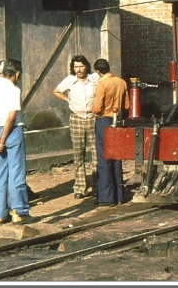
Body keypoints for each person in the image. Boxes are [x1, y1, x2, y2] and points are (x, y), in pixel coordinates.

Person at [0, 61, 38, 211]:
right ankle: (20, 211)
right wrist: (2, 140)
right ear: (16, 74)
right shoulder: (13, 90)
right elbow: (11, 117)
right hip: (12, 131)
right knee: (16, 172)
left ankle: (0, 213)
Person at [53, 55, 99, 199]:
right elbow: (56, 91)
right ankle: (80, 187)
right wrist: (68, 100)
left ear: (87, 66)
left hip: (93, 118)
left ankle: (98, 186)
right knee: (79, 154)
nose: (79, 70)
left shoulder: (95, 78)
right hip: (77, 118)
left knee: (96, 154)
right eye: (76, 67)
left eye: (81, 66)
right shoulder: (69, 80)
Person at [91, 58, 130, 206]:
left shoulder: (102, 83)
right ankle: (119, 195)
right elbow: (127, 105)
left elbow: (96, 108)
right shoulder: (121, 82)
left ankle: (106, 197)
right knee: (117, 157)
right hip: (117, 122)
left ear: (98, 71)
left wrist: (94, 110)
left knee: (104, 158)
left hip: (104, 121)